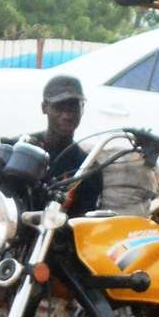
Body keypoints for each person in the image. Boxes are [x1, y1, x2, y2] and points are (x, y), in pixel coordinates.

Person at [24, 74, 102, 217]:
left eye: (73, 107)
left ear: (82, 108)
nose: (67, 115)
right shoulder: (24, 149)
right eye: (59, 107)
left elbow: (82, 222)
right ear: (44, 107)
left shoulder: (87, 167)